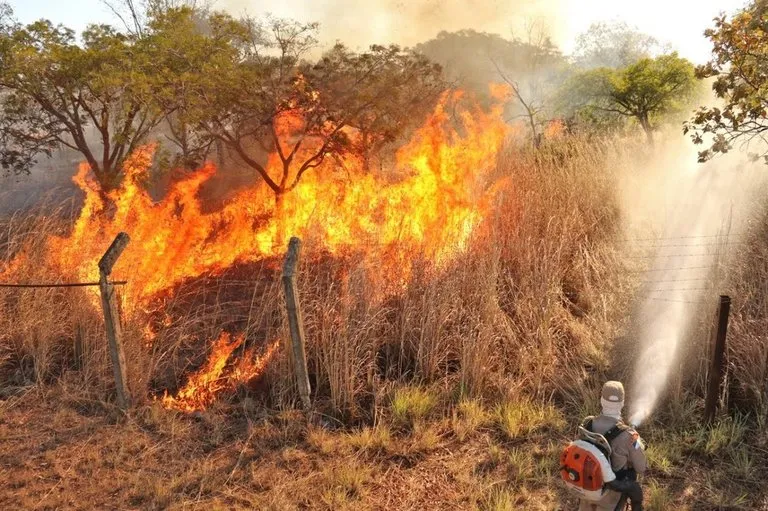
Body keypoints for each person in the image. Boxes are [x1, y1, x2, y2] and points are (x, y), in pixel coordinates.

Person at [578, 381, 647, 511]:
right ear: (622, 403)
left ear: (601, 400)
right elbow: (641, 467)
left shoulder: (587, 423)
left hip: (586, 485)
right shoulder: (630, 435)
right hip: (611, 494)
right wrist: (638, 443)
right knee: (633, 485)